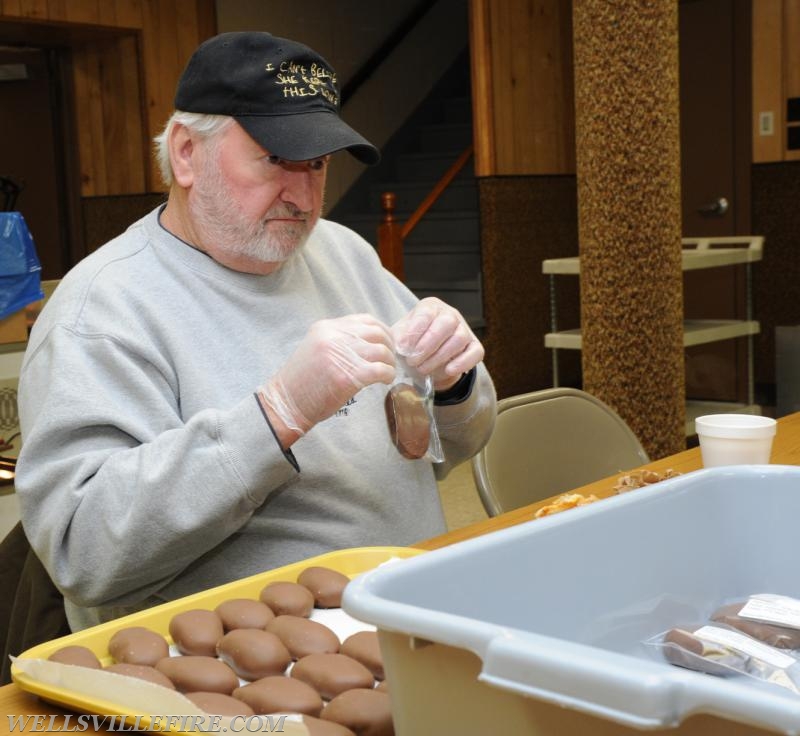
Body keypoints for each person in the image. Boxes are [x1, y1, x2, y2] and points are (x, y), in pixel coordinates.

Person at [15, 31, 496, 631]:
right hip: (238, 669)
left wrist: (453, 385)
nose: (302, 194)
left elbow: (455, 442)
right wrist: (277, 414)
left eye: (317, 164)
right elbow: (82, 551)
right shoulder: (103, 313)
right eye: (274, 158)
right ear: (187, 154)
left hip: (405, 613)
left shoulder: (341, 251)